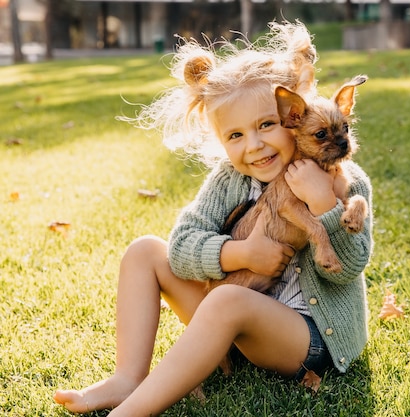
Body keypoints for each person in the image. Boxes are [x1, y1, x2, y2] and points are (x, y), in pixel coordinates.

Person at [53, 21, 373, 416]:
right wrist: (241, 255)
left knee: (226, 300)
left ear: (293, 117)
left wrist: (324, 203)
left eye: (266, 125)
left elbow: (350, 267)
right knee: (145, 252)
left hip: (311, 339)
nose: (254, 146)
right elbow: (182, 245)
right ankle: (127, 378)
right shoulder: (230, 178)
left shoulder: (343, 178)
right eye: (235, 135)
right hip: (241, 322)